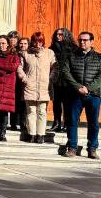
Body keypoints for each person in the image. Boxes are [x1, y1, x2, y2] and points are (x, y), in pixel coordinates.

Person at [61, 31, 101, 159]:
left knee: (93, 123)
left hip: (93, 95)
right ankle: (72, 147)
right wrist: (78, 87)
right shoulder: (71, 56)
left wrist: (88, 89)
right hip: (75, 94)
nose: (82, 42)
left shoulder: (99, 58)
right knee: (72, 121)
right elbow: (65, 72)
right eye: (80, 40)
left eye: (85, 40)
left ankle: (92, 148)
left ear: (91, 42)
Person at [17, 32, 56, 144]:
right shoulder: (26, 53)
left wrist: (50, 79)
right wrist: (24, 78)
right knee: (31, 111)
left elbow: (54, 67)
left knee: (42, 111)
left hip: (44, 87)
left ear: (43, 41)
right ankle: (32, 134)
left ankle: (40, 135)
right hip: (30, 86)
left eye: (40, 41)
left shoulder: (49, 53)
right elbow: (19, 67)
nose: (38, 43)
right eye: (35, 41)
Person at [49, 27, 77, 132]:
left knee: (67, 103)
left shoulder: (73, 49)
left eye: (60, 34)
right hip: (55, 80)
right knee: (56, 102)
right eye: (56, 34)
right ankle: (56, 123)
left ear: (66, 35)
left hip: (68, 81)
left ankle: (67, 123)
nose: (58, 36)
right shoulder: (51, 48)